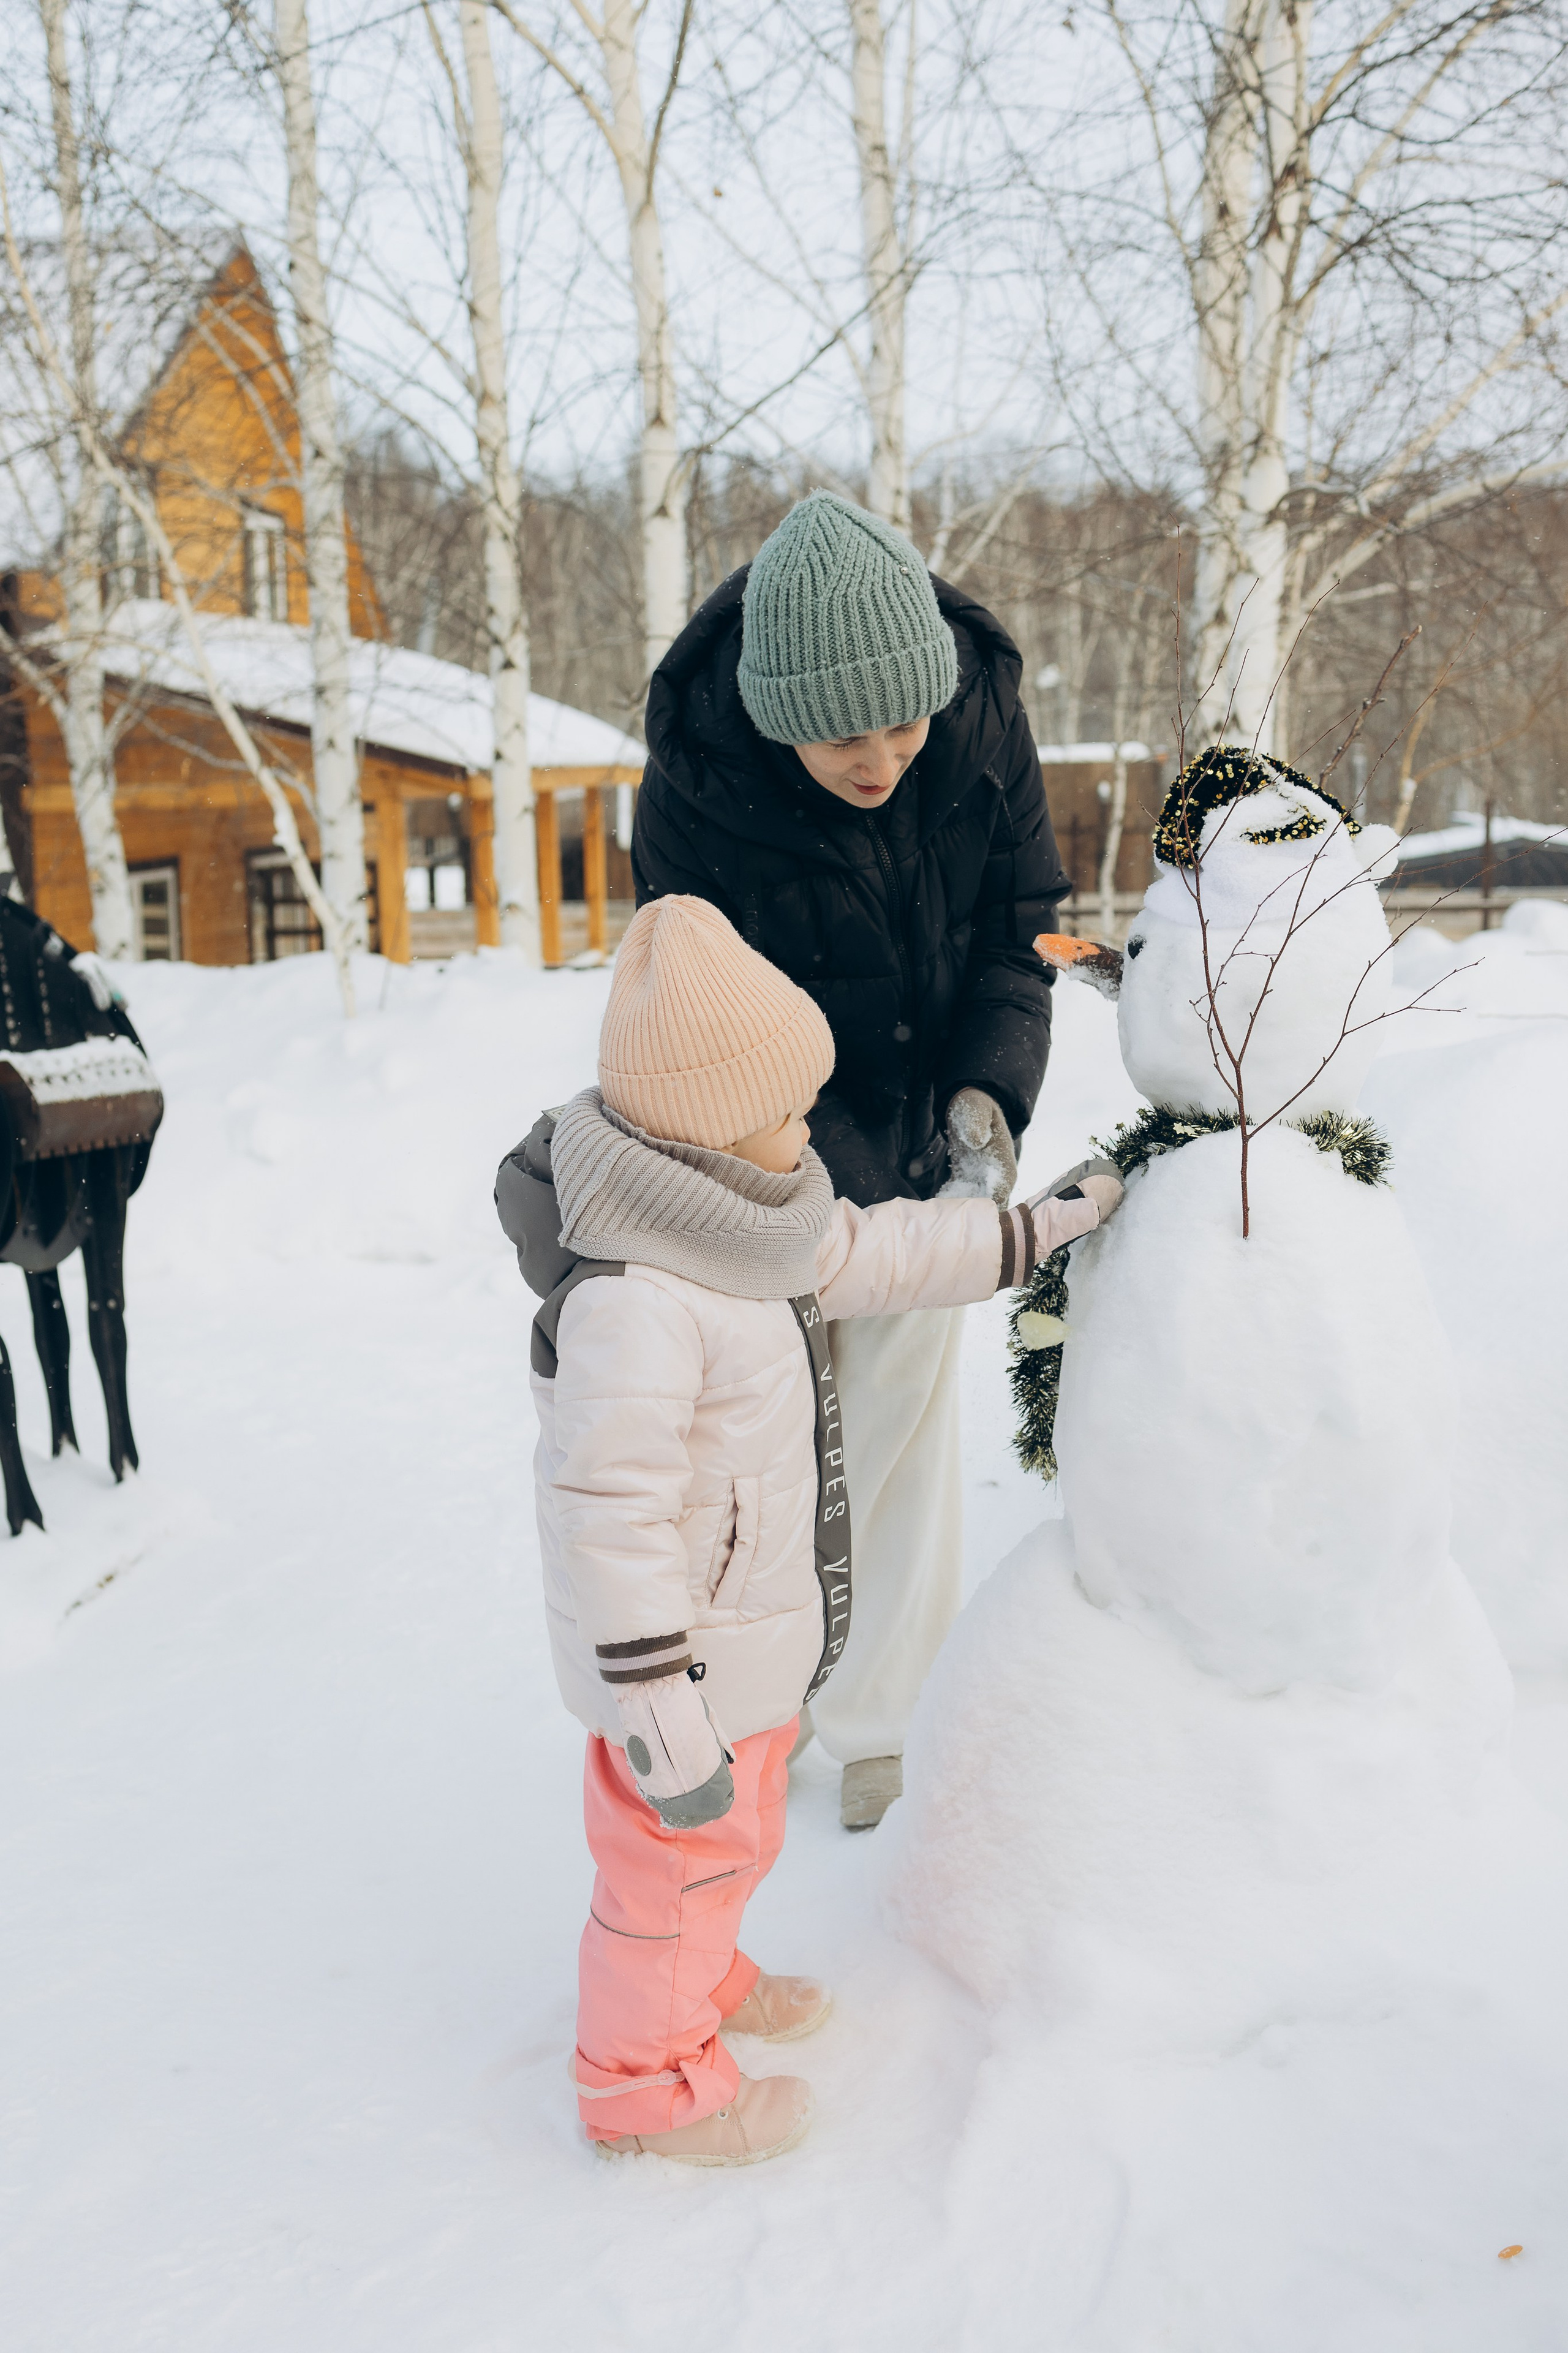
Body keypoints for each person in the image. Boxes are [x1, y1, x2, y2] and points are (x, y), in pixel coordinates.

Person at [496, 894, 1121, 2166]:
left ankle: (703, 1977)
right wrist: (656, 1705)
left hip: (750, 1648)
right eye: (784, 1108)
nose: (805, 1130)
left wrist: (1030, 1229)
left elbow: (882, 1255)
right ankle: (642, 2091)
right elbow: (603, 1515)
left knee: (729, 1850)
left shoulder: (745, 1212)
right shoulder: (638, 1295)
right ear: (706, 1122)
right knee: (665, 1875)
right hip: (678, 1674)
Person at [632, 489, 1071, 1827]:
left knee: (901, 1417)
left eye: (900, 720)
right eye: (839, 734)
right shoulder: (697, 789)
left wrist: (986, 1101)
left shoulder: (979, 715)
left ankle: (883, 1721)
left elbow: (1021, 929)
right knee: (768, 1448)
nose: (879, 754)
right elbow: (687, 1004)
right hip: (757, 1154)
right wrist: (787, 1175)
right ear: (775, 714)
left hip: (930, 1122)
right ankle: (755, 1702)